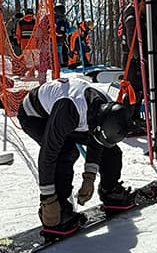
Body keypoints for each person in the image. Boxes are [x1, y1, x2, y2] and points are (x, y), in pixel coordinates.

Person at [18, 76, 134, 234]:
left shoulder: (105, 107)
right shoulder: (69, 110)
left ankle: (110, 190)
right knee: (65, 152)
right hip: (35, 115)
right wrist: (48, 198)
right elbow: (48, 154)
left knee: (111, 150)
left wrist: (89, 177)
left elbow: (97, 141)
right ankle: (57, 209)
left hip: (70, 113)